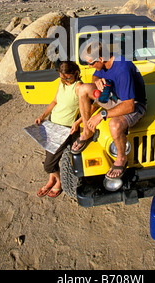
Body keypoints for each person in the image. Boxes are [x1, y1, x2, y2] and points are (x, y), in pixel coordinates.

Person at [71, 41, 146, 180]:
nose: (89, 66)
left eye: (91, 63)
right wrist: (97, 79)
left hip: (134, 103)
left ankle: (121, 158)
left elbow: (129, 106)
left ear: (100, 59)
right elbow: (95, 74)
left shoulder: (122, 68)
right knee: (82, 89)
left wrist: (102, 114)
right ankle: (87, 131)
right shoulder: (104, 61)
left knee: (114, 125)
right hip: (114, 96)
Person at [35, 61, 82, 198]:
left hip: (64, 128)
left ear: (76, 73)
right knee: (49, 152)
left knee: (48, 164)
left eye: (68, 78)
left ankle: (59, 181)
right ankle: (52, 179)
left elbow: (90, 107)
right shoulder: (61, 83)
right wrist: (43, 116)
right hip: (52, 123)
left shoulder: (79, 87)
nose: (65, 81)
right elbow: (55, 101)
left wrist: (78, 122)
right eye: (63, 77)